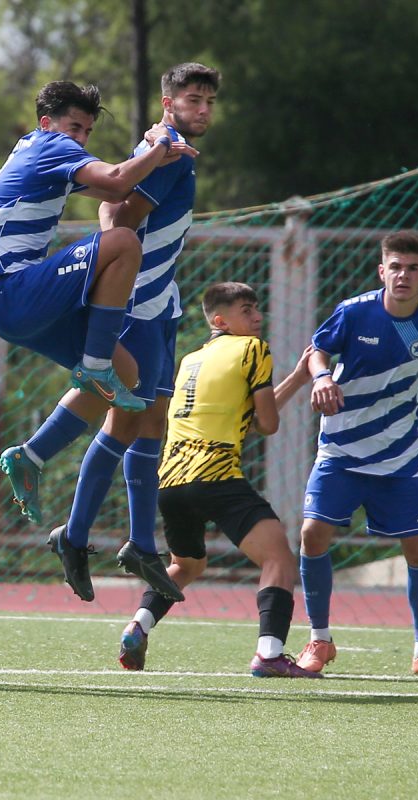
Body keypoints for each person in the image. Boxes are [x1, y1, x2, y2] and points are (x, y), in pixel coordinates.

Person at [0, 65, 218, 603]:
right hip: (137, 301)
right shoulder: (167, 152)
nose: (203, 109)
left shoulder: (173, 150)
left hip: (161, 300)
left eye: (209, 101)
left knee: (146, 418)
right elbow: (116, 209)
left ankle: (94, 535)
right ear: (168, 103)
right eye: (193, 99)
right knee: (127, 412)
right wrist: (116, 260)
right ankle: (106, 530)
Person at [0, 80, 196, 462]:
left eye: (87, 131)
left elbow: (113, 193)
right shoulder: (49, 145)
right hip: (12, 289)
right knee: (124, 243)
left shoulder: (44, 153)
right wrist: (158, 143)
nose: (81, 139)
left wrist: (158, 158)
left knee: (128, 372)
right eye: (75, 127)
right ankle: (94, 367)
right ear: (46, 123)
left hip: (13, 308)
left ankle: (31, 457)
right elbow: (118, 181)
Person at [294, 231, 418, 677]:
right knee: (312, 535)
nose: (403, 275)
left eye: (412, 268)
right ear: (382, 271)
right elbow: (318, 352)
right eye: (395, 267)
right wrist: (321, 378)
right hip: (341, 449)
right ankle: (319, 641)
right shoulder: (353, 312)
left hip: (402, 457)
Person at [117, 282, 319, 678]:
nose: (258, 317)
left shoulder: (191, 359)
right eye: (247, 310)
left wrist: (296, 378)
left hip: (171, 482)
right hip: (216, 475)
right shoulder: (253, 350)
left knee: (186, 566)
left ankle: (137, 625)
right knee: (278, 558)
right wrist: (294, 379)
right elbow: (268, 424)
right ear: (221, 319)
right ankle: (270, 653)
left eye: (257, 308)